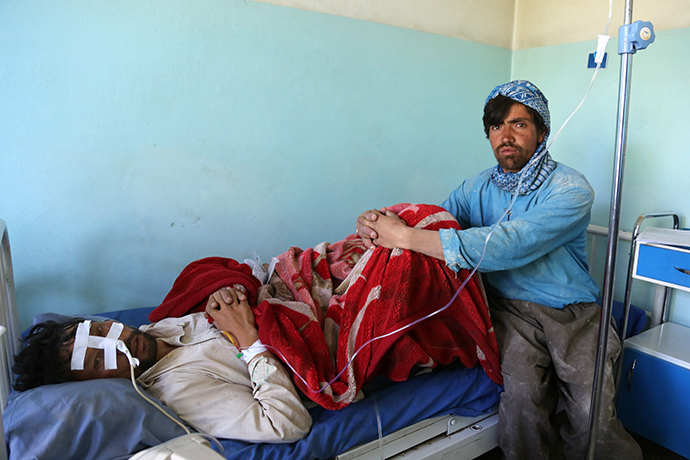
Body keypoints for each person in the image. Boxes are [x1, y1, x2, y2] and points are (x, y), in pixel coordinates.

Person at [355, 80, 641, 459]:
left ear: (542, 132)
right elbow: (434, 222)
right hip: (508, 310)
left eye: (519, 124)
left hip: (573, 312)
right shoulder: (475, 188)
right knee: (522, 398)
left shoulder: (571, 189)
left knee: (592, 408)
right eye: (495, 126)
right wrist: (380, 222)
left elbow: (510, 243)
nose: (505, 136)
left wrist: (404, 237)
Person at [12, 286, 313, 443]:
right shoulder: (180, 391)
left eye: (101, 331)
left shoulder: (158, 327)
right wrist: (249, 341)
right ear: (97, 383)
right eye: (98, 358)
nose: (120, 343)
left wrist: (225, 294)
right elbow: (285, 425)